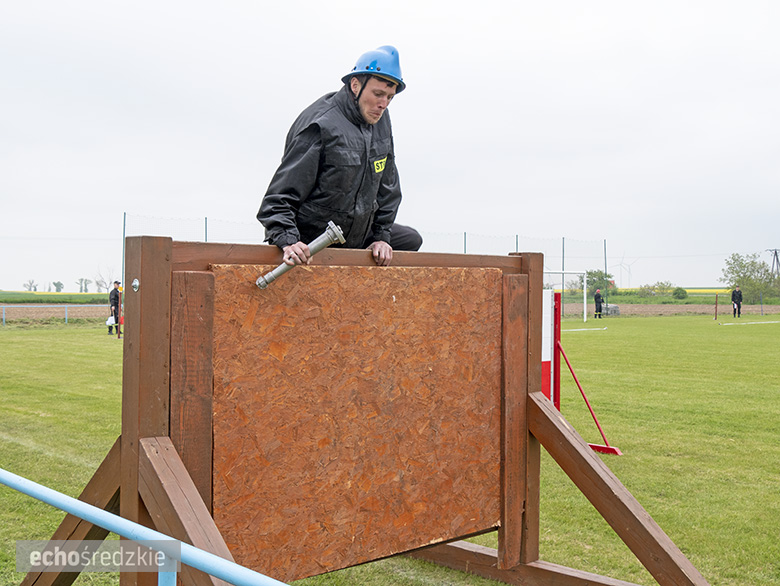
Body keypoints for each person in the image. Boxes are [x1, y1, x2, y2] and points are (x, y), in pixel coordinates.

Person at [257, 45, 422, 268]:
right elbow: (278, 200)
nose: (383, 104)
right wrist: (289, 241)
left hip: (356, 233)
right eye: (378, 94)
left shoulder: (380, 120)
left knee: (410, 240)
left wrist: (381, 237)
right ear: (355, 85)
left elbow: (388, 188)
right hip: (315, 240)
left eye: (390, 97)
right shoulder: (321, 126)